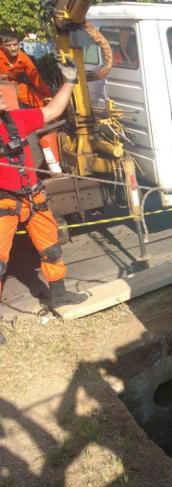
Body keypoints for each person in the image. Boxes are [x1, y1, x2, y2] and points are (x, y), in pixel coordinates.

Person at [0, 56, 86, 340]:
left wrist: (70, 81)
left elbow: (52, 110)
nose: (3, 95)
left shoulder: (16, 119)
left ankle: (58, 295)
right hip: (4, 204)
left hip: (33, 198)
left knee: (51, 248)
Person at [0, 29, 52, 109]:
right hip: (4, 87)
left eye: (15, 44)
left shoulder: (23, 58)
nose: (13, 48)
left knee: (41, 101)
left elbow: (36, 79)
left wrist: (49, 97)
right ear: (1, 46)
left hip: (13, 85)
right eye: (8, 45)